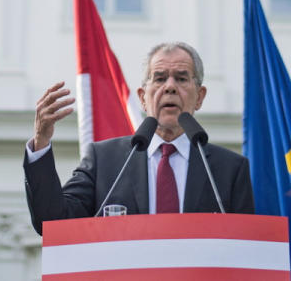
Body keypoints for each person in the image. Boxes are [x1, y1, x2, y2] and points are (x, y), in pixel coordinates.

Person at [24, 41, 254, 235]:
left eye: (182, 79)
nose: (170, 87)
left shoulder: (229, 169)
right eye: (160, 78)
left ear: (200, 97)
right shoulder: (105, 160)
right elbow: (52, 222)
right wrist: (41, 142)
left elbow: (245, 246)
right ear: (143, 98)